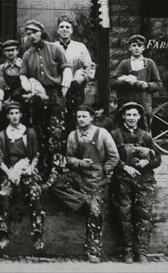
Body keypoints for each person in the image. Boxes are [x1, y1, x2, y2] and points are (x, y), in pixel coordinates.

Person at [50, 105, 119, 263]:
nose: (81, 119)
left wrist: (102, 171)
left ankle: (94, 250)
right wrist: (80, 162)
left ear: (91, 118)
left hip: (97, 180)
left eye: (84, 116)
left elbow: (114, 157)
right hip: (79, 175)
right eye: (79, 116)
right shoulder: (73, 135)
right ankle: (83, 200)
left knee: (95, 213)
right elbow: (69, 158)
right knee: (56, 184)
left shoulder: (102, 134)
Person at [19, 20, 72, 175]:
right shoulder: (27, 54)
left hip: (55, 94)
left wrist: (65, 86)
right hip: (37, 97)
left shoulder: (55, 49)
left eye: (34, 32)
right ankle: (41, 167)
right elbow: (23, 76)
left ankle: (57, 169)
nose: (32, 36)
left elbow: (66, 69)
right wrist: (30, 87)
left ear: (40, 32)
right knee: (39, 130)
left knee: (56, 131)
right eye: (29, 34)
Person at [111, 102, 161, 264]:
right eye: (128, 115)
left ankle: (142, 252)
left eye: (135, 115)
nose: (131, 118)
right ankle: (127, 251)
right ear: (123, 116)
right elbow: (111, 158)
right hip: (123, 181)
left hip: (143, 182)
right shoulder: (115, 135)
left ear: (139, 117)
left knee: (143, 215)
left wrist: (148, 162)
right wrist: (125, 167)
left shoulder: (146, 136)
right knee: (124, 215)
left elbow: (158, 159)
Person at [0, 101, 44, 250]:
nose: (14, 116)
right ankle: (4, 233)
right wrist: (9, 173)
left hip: (27, 169)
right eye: (11, 113)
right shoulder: (1, 135)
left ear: (21, 114)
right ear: (7, 116)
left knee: (34, 193)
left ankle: (37, 233)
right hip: (9, 171)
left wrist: (30, 168)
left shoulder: (30, 133)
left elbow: (36, 154)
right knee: (5, 194)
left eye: (17, 113)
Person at [110, 35, 162, 129]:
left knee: (144, 131)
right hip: (126, 104)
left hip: (144, 105)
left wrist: (147, 85)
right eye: (134, 45)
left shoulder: (150, 63)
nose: (136, 48)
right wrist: (126, 81)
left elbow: (158, 84)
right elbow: (113, 83)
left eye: (139, 45)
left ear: (143, 48)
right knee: (124, 131)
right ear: (130, 48)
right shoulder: (124, 64)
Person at [53, 15, 96, 128]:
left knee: (74, 117)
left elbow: (89, 67)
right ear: (58, 30)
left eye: (67, 27)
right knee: (57, 117)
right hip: (57, 88)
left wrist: (82, 79)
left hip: (75, 89)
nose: (64, 29)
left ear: (71, 30)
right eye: (61, 27)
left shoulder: (80, 47)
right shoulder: (52, 47)